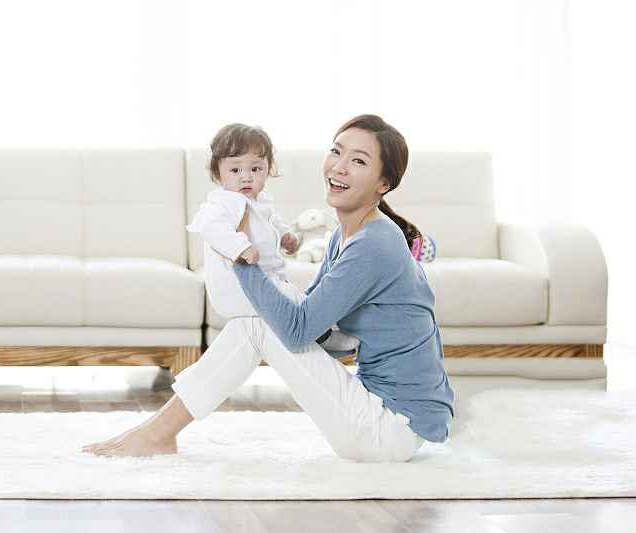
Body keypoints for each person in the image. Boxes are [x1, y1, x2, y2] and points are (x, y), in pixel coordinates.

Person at [82, 114, 455, 463]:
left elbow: (297, 331)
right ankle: (158, 433)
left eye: (358, 161)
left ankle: (157, 434)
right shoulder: (346, 236)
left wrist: (240, 253)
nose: (339, 167)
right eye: (336, 151)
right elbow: (318, 330)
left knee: (258, 323)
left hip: (390, 429)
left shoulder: (375, 243)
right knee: (258, 322)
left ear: (383, 184)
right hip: (382, 416)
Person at [184, 122, 360, 352]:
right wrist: (240, 247)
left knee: (294, 298)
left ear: (268, 169)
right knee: (294, 300)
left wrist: (285, 236)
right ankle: (324, 337)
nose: (246, 177)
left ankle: (320, 333)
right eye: (235, 170)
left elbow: (272, 222)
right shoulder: (223, 204)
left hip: (265, 284)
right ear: (218, 174)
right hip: (237, 289)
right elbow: (212, 229)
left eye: (255, 169)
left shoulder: (260, 202)